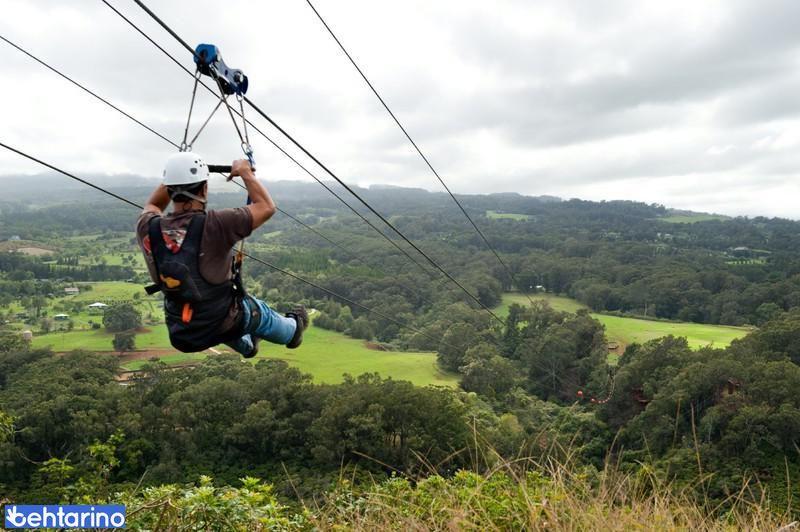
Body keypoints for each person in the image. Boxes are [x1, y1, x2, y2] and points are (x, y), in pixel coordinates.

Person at [136, 152, 308, 357]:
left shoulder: (147, 227)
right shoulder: (216, 224)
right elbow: (266, 207)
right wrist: (245, 172)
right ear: (205, 188)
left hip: (183, 332)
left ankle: (248, 346)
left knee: (218, 315)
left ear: (169, 187)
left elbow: (154, 205)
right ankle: (293, 330)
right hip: (223, 320)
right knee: (257, 311)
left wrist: (174, 176)